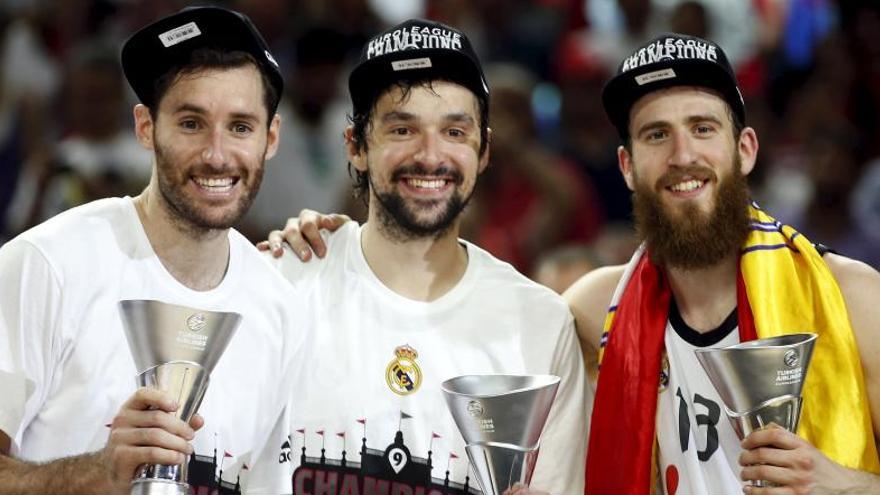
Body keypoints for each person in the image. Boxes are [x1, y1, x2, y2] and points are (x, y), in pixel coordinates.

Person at [251, 19, 588, 495]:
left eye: (454, 131)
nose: (430, 156)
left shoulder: (538, 323)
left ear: (484, 149)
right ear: (356, 145)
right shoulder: (279, 282)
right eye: (402, 128)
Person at [0, 7, 308, 494]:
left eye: (241, 127)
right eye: (191, 123)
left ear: (271, 139)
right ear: (146, 126)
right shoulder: (46, 265)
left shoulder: (281, 309)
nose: (216, 154)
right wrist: (98, 472)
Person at [563, 34, 880, 493]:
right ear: (627, 166)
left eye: (703, 128)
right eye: (657, 135)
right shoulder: (595, 309)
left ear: (745, 149)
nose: (683, 156)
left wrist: (846, 486)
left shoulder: (853, 298)